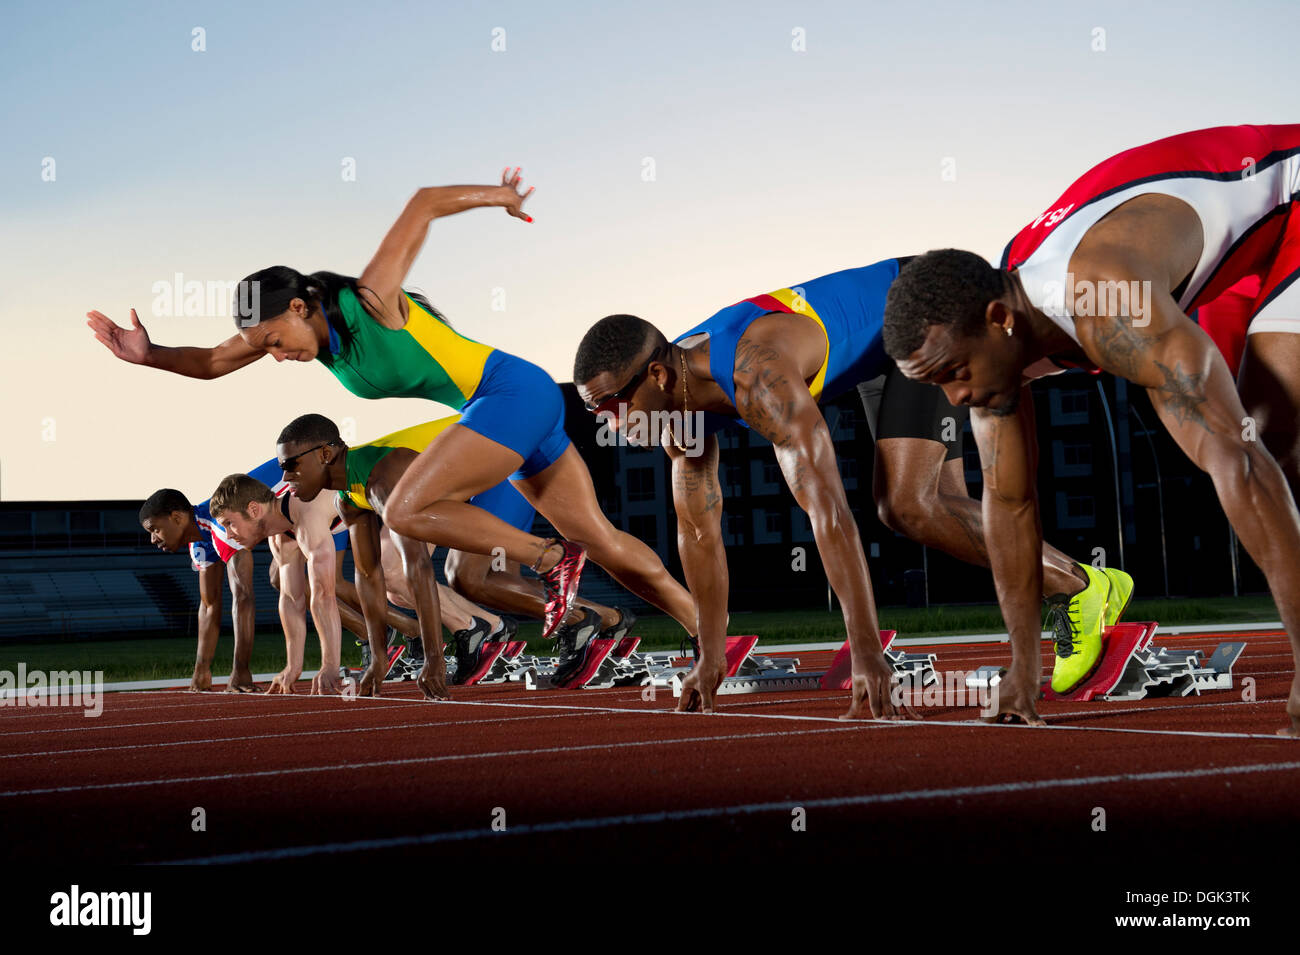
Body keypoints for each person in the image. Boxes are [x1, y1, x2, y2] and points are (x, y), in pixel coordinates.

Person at [88, 169, 697, 682]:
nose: (274, 355)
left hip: (509, 394)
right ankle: (711, 630)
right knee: (604, 541)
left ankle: (547, 557)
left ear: (299, 307)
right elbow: (215, 362)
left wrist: (501, 197)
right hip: (515, 406)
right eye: (264, 348)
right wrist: (149, 355)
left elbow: (425, 203)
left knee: (403, 508)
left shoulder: (369, 300)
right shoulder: (300, 337)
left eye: (275, 340)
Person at [880, 123, 1300, 734]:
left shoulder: (1107, 302)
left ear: (1000, 320)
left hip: (1289, 200)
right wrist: (1024, 673)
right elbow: (1009, 505)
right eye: (937, 386)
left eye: (954, 373)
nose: (957, 397)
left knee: (1267, 435)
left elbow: (1235, 457)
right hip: (1221, 259)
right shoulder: (997, 336)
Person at [573, 260, 1127, 715]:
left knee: (906, 505)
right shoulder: (679, 420)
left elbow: (829, 513)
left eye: (611, 407)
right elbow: (698, 530)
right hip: (873, 357)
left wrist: (865, 652)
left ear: (659, 377)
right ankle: (1087, 584)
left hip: (923, 313)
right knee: (936, 505)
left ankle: (1077, 586)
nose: (612, 426)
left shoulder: (756, 376)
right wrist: (710, 657)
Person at [276, 412, 636, 692]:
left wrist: (435, 659)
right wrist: (379, 659)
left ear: (325, 453)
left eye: (290, 465)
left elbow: (419, 569)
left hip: (508, 462)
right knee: (423, 574)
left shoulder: (381, 480)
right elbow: (367, 576)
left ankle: (584, 618)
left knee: (468, 577)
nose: (285, 477)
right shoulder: (348, 499)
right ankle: (605, 619)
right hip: (478, 470)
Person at [139, 487, 258, 693]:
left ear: (176, 518)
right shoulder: (199, 545)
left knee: (280, 578)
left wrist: (240, 671)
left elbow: (243, 594)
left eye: (155, 529)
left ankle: (242, 670)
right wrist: (201, 670)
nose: (153, 540)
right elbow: (209, 604)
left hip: (303, 489)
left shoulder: (220, 521)